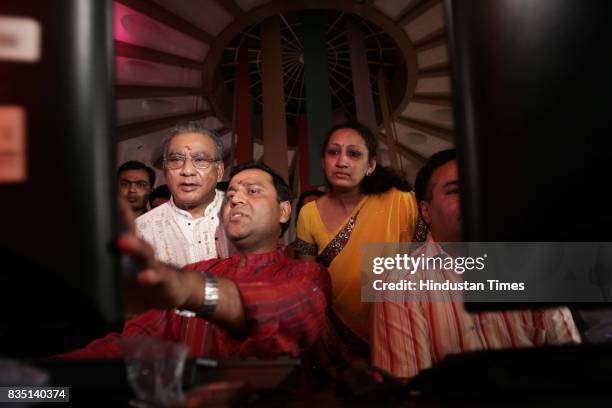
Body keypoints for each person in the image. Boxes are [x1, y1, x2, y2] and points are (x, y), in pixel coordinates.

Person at [59, 162, 331, 359]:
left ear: (284, 211)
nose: (235, 198)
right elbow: (133, 342)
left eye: (253, 191)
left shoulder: (306, 274)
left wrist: (189, 289)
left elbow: (288, 311)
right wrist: (43, 377)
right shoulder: (197, 272)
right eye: (231, 194)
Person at [371, 149, 581, 379]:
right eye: (456, 190)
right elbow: (408, 390)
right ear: (426, 211)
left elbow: (574, 367)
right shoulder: (399, 284)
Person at [295, 122, 419, 378]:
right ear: (323, 160)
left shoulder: (401, 201)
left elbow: (427, 263)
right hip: (335, 338)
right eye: (333, 152)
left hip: (399, 328)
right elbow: (307, 285)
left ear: (371, 165)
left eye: (353, 154)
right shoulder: (308, 213)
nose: (341, 161)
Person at [135, 122, 229, 267]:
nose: (187, 171)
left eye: (200, 160)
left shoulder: (243, 215)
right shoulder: (141, 231)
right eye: (176, 160)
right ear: (165, 170)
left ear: (220, 171)